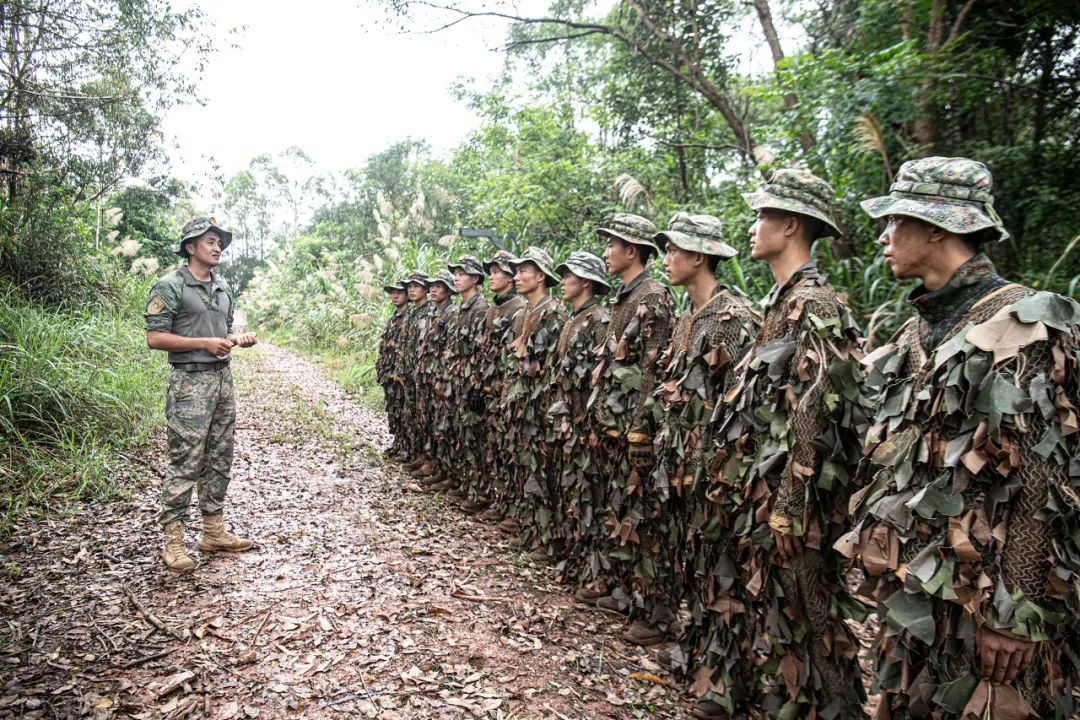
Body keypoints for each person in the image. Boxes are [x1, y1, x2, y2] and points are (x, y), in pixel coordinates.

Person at [841, 157, 1080, 719]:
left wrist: (1015, 612)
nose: (884, 236)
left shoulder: (1021, 327)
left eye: (895, 221)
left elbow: (1043, 481)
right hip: (921, 594)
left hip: (987, 609)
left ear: (936, 229)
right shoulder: (919, 328)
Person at [691, 170, 870, 719]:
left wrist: (792, 506)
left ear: (790, 225)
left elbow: (817, 409)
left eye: (761, 217)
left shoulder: (812, 303)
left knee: (812, 615)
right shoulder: (782, 301)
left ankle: (834, 709)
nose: (751, 228)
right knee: (781, 610)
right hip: (767, 490)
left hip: (796, 501)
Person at [624, 214, 760, 649]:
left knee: (716, 566)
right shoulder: (688, 317)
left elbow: (742, 409)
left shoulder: (732, 319)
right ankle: (688, 642)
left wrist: (717, 470)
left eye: (674, 250)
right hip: (677, 465)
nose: (666, 258)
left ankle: (720, 670)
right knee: (681, 554)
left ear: (699, 256)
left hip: (711, 473)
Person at [578, 214, 676, 630]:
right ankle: (627, 592)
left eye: (611, 245)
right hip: (614, 426)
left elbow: (655, 370)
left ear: (631, 251)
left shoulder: (652, 297)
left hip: (636, 429)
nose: (605, 252)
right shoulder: (626, 296)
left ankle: (658, 611)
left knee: (645, 516)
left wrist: (640, 429)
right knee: (620, 509)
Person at [144, 217, 258, 573]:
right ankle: (173, 542)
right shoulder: (170, 285)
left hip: (222, 382)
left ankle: (213, 532)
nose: (217, 246)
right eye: (209, 240)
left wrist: (235, 338)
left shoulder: (223, 288)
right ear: (191, 248)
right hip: (190, 384)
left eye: (220, 241)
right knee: (186, 460)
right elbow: (155, 338)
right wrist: (203, 344)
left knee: (220, 456)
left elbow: (221, 331)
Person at [495, 247, 566, 546]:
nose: (517, 276)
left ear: (541, 276)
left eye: (524, 270)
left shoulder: (555, 313)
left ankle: (547, 536)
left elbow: (557, 367)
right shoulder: (522, 313)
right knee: (524, 464)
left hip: (542, 408)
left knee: (544, 469)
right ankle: (529, 526)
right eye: (517, 270)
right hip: (520, 407)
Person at [546, 251, 610, 570]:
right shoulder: (574, 318)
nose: (563, 282)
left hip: (585, 424)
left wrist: (592, 425)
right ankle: (573, 552)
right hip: (569, 421)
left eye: (569, 276)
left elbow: (600, 378)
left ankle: (590, 561)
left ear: (585, 281)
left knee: (588, 494)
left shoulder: (598, 321)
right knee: (570, 488)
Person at [469, 251, 527, 517]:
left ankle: (510, 506)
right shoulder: (493, 307)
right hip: (488, 390)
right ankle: (494, 497)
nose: (492, 276)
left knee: (507, 450)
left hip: (505, 392)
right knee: (490, 446)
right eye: (490, 272)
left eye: (497, 272)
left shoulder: (518, 309)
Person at [431, 255, 489, 497]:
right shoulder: (463, 310)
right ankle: (459, 481)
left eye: (462, 273)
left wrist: (476, 386)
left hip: (471, 386)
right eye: (455, 273)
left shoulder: (481, 309)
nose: (457, 277)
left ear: (475, 278)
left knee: (474, 442)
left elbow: (481, 352)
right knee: (459, 436)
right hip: (456, 383)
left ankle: (476, 491)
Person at [412, 270, 458, 489]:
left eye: (439, 286)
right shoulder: (433, 313)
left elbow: (450, 350)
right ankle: (434, 464)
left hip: (444, 380)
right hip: (429, 378)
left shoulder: (452, 313)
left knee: (444, 427)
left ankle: (446, 471)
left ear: (448, 290)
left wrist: (445, 379)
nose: (433, 289)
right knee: (431, 422)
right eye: (431, 286)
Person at [396, 271, 432, 473]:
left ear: (425, 289)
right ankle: (416, 453)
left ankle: (426, 457)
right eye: (409, 286)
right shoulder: (411, 313)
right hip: (409, 374)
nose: (411, 289)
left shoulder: (428, 312)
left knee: (423, 415)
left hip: (421, 374)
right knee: (411, 414)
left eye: (416, 286)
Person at [376, 277, 410, 459]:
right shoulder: (393, 318)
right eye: (392, 293)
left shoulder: (410, 318)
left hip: (401, 374)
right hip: (390, 374)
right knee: (394, 410)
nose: (395, 296)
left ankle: (407, 448)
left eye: (399, 292)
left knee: (405, 411)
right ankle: (398, 443)